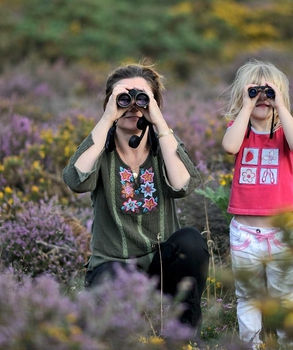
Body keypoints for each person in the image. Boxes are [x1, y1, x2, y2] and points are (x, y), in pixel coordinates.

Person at [62, 61, 209, 329]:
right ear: (110, 103)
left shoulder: (163, 146)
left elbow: (183, 185)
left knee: (191, 240)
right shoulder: (99, 149)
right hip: (114, 267)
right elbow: (75, 180)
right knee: (108, 322)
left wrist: (160, 124)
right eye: (123, 98)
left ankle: (186, 334)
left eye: (142, 98)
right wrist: (107, 119)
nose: (133, 105)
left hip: (162, 267)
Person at [221, 59, 293, 348]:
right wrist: (246, 108)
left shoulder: (288, 129)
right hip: (245, 232)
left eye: (269, 92)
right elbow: (230, 147)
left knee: (284, 296)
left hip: (281, 231)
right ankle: (252, 345)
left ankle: (287, 344)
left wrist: (281, 107)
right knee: (248, 297)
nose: (262, 98)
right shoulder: (239, 129)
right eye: (255, 92)